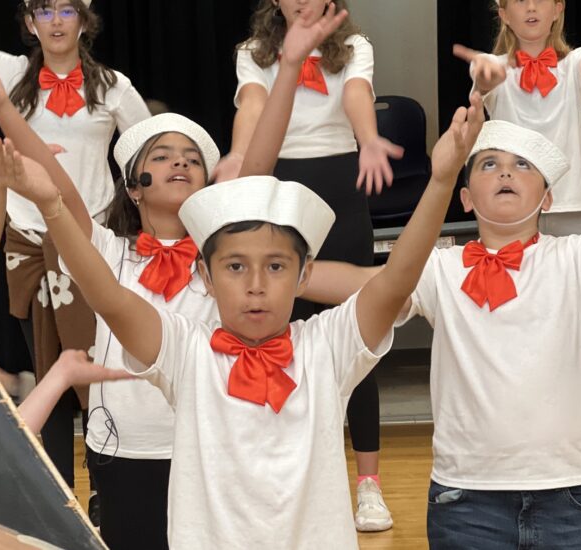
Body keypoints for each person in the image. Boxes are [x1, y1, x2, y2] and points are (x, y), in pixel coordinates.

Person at [0, 10, 484, 549]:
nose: (253, 282)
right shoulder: (165, 318)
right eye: (162, 157)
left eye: (274, 267)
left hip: (202, 448)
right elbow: (95, 271)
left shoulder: (261, 286)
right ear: (133, 184)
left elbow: (388, 281)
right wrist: (11, 129)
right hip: (129, 449)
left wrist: (437, 181)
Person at [0, 0, 151, 500]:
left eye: (66, 9)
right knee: (49, 370)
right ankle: (57, 497)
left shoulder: (114, 86)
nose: (55, 20)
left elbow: (147, 150)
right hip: (27, 247)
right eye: (44, 10)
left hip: (90, 245)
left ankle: (105, 491)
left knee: (97, 376)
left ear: (84, 19)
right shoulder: (10, 72)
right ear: (30, 22)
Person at [215, 0, 404, 529]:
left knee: (356, 331)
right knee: (280, 333)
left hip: (342, 187)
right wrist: (238, 155)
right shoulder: (253, 53)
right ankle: (282, 474)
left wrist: (368, 140)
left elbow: (357, 94)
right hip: (278, 185)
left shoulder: (353, 47)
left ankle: (368, 483)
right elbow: (252, 105)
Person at [453, 0, 581, 522]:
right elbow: (479, 93)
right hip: (514, 223)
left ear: (558, 9)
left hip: (571, 217)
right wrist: (481, 80)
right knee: (513, 336)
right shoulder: (495, 66)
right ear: (502, 12)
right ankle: (516, 469)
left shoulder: (575, 65)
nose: (531, 6)